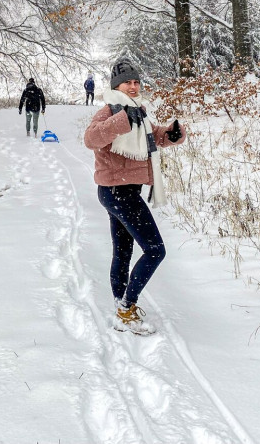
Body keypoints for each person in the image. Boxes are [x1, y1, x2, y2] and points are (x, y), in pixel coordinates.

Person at [83, 58, 186, 335]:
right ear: (117, 85)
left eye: (136, 81)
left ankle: (120, 304)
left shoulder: (139, 112)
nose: (133, 85)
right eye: (128, 81)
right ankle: (127, 308)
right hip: (117, 191)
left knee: (124, 250)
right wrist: (119, 121)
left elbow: (155, 138)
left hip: (123, 190)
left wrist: (172, 134)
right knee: (155, 250)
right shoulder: (109, 111)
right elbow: (91, 139)